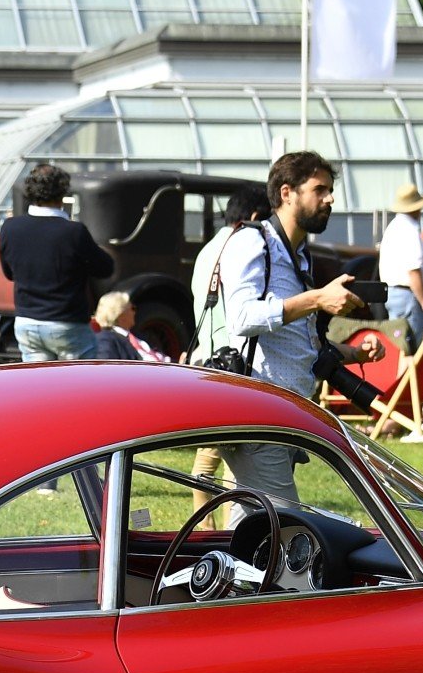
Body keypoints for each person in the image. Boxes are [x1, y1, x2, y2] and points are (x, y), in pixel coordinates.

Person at [217, 150, 366, 503]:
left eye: (331, 190)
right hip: (256, 412)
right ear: (287, 193)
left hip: (284, 411)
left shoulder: (297, 253)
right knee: (288, 527)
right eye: (320, 189)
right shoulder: (253, 242)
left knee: (253, 534)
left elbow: (299, 342)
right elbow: (240, 318)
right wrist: (316, 299)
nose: (330, 199)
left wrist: (353, 353)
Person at [0, 162, 113, 361]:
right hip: (67, 324)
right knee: (79, 386)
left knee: (39, 387)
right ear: (63, 193)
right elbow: (105, 268)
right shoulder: (74, 232)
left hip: (27, 322)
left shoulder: (10, 228)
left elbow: (9, 273)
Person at [189, 184, 272, 360]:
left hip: (211, 361)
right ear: (255, 217)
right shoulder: (246, 247)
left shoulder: (206, 250)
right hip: (237, 363)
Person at [376, 184, 423, 345]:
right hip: (408, 296)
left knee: (398, 344)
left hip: (394, 294)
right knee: (411, 346)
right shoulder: (409, 230)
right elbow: (413, 271)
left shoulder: (394, 227)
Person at [89, 291, 170, 362]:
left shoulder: (139, 336)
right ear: (120, 313)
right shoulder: (106, 339)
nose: (134, 312)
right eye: (132, 308)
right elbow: (107, 370)